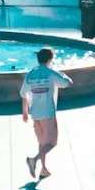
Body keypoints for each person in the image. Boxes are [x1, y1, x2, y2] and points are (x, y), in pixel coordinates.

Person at [21, 47, 69, 181]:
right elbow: (68, 83)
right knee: (52, 142)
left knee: (42, 142)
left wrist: (25, 112)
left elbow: (23, 94)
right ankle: (34, 160)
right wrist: (62, 74)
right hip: (47, 112)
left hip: (35, 112)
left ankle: (43, 169)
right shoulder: (51, 73)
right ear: (50, 59)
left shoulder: (30, 74)